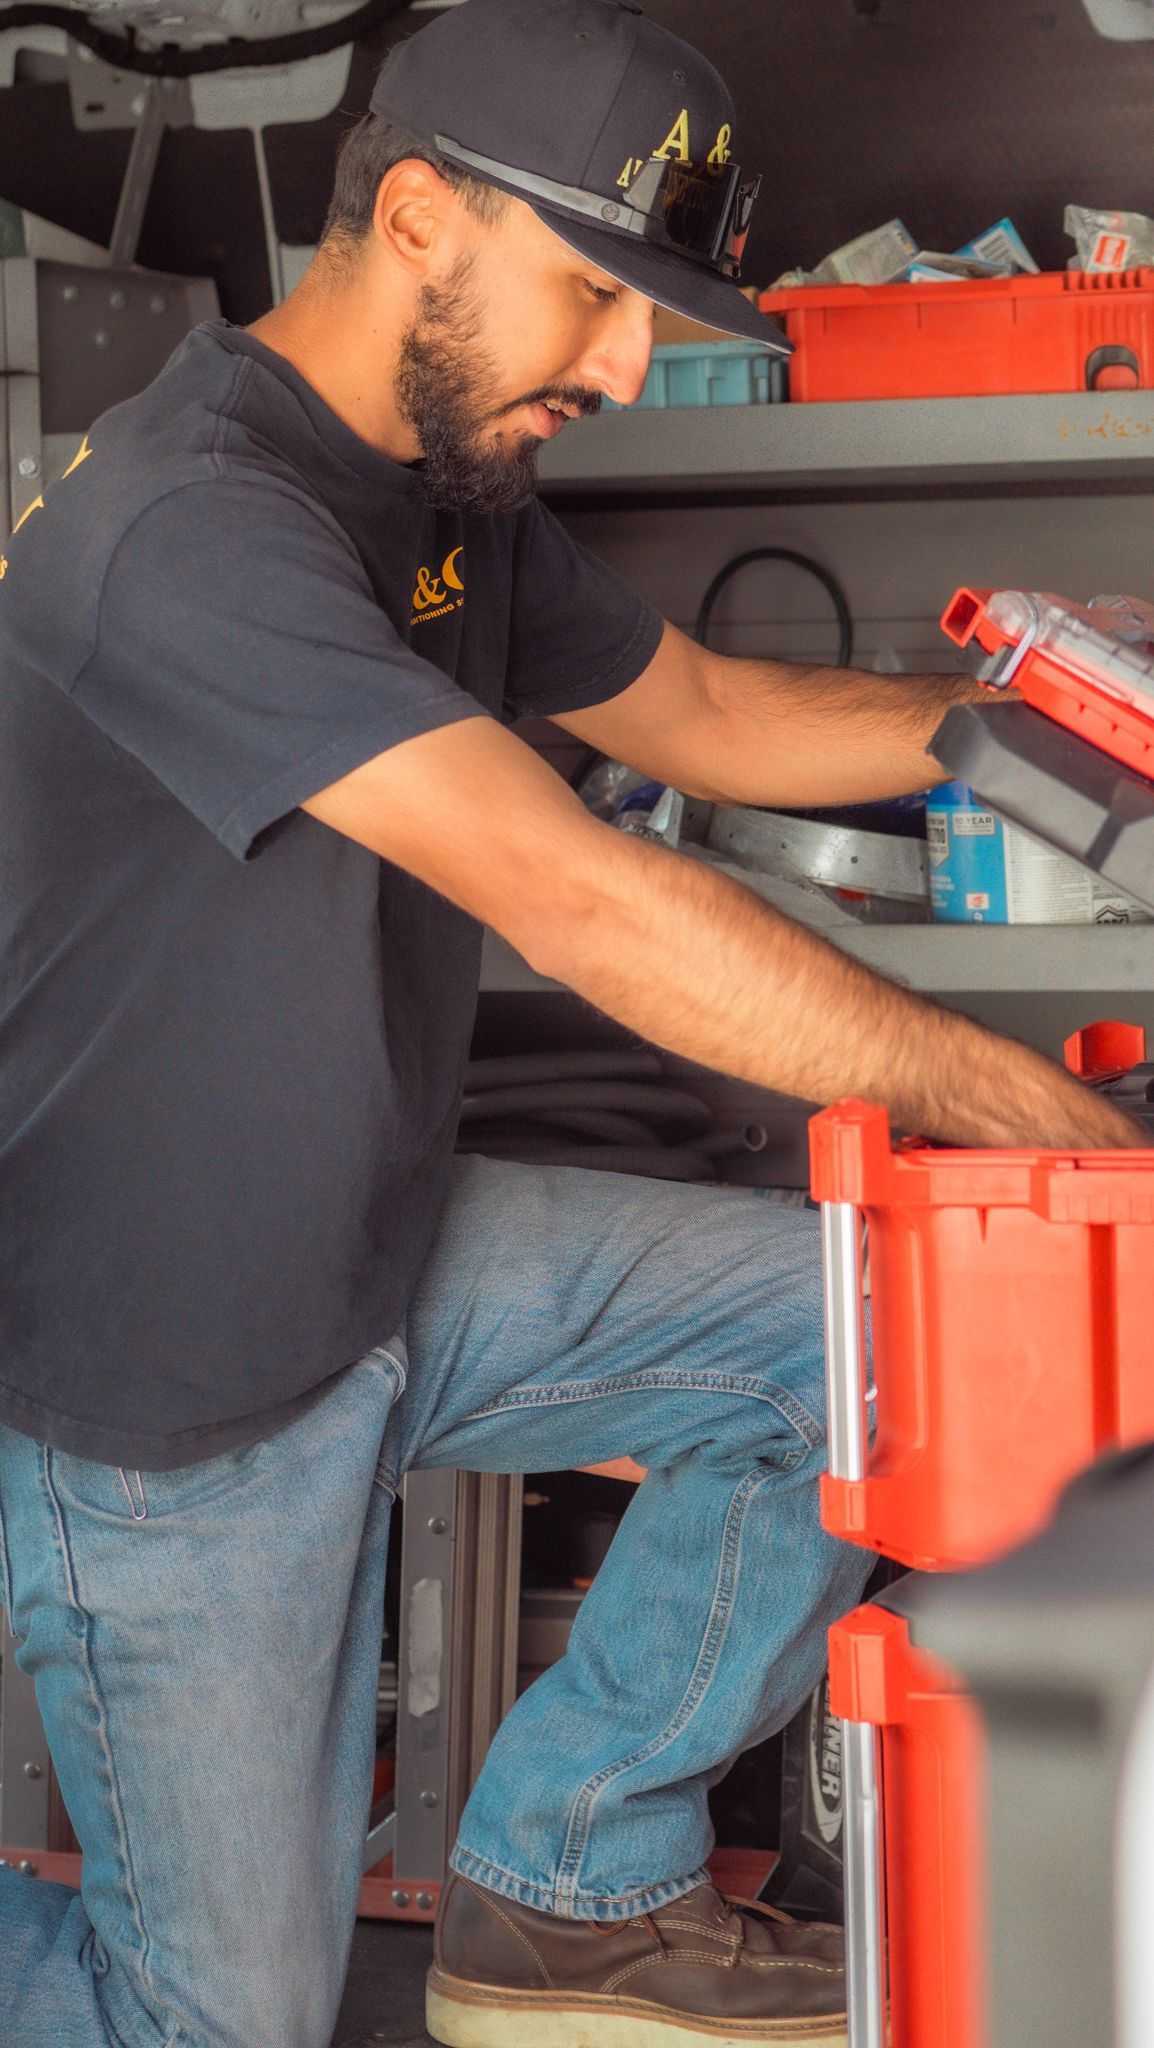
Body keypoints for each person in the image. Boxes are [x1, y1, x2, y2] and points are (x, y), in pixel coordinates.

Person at [0, 3, 1140, 2046]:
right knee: (216, 2021)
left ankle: (569, 1883)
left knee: (861, 1340)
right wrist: (992, 1090)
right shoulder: (186, 525)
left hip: (375, 1245)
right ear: (418, 216)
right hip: (172, 1380)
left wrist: (1019, 729)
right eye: (598, 294)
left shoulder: (437, 487)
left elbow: (695, 713)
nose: (626, 365)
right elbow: (584, 893)